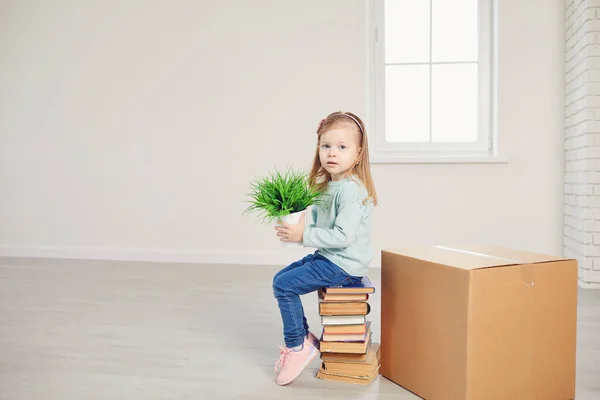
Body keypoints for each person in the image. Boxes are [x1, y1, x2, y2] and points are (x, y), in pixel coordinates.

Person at [272, 111, 378, 385]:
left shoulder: (351, 191)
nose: (333, 153)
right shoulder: (329, 185)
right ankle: (304, 337)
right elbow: (320, 224)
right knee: (279, 281)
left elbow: (343, 236)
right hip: (329, 257)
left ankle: (297, 346)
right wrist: (296, 225)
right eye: (326, 146)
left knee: (285, 286)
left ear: (358, 153)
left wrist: (304, 233)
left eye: (342, 147)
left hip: (343, 265)